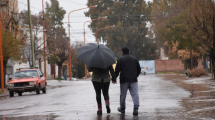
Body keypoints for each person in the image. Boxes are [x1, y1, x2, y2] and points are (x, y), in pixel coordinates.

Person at [114, 47, 141, 115]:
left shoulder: (120, 59)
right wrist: (135, 75)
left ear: (122, 52)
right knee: (135, 94)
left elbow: (117, 70)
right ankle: (135, 109)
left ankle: (122, 108)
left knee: (123, 94)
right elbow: (139, 69)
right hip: (133, 80)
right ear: (129, 52)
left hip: (124, 80)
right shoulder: (134, 59)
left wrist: (114, 78)